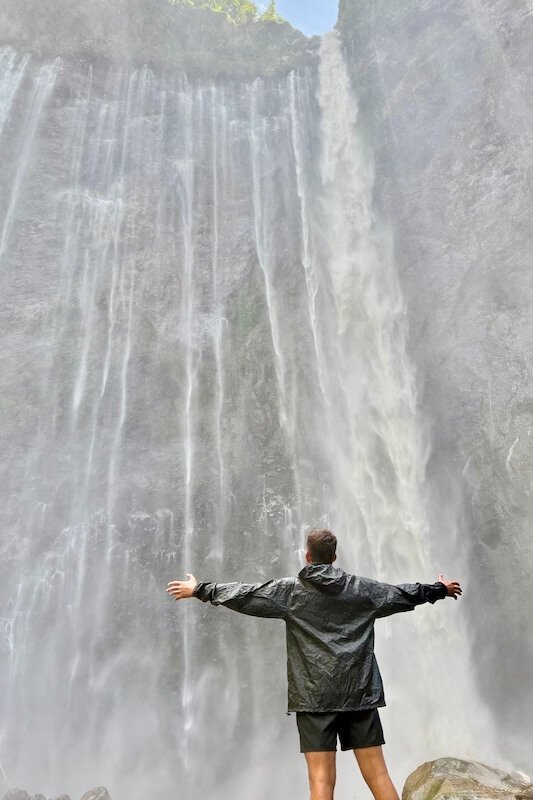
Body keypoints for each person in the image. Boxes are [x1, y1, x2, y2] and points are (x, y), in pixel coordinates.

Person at [166, 528, 462, 800]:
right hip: (358, 695)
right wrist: (439, 589)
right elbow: (401, 593)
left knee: (321, 781)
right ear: (334, 558)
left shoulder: (289, 592)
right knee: (378, 775)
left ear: (307, 557)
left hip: (313, 698)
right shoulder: (363, 590)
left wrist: (200, 590)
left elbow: (246, 594)